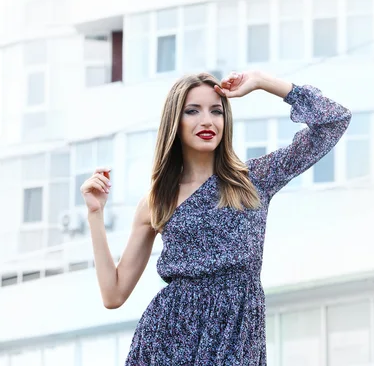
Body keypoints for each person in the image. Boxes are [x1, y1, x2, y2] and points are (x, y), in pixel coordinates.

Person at [81, 70, 352, 365]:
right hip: (169, 340)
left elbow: (333, 121)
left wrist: (262, 82)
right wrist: (95, 214)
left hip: (237, 336)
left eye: (216, 111)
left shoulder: (254, 180)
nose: (207, 121)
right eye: (192, 111)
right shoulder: (157, 200)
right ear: (175, 121)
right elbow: (114, 294)